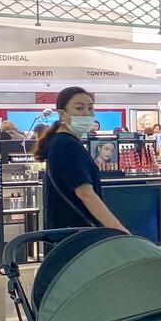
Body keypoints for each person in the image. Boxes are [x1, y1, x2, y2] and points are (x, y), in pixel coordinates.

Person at [33, 87, 129, 233]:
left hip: (66, 232)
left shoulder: (63, 141)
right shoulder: (67, 145)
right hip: (75, 235)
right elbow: (86, 194)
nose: (87, 113)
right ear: (62, 114)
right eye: (79, 108)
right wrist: (118, 229)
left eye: (90, 108)